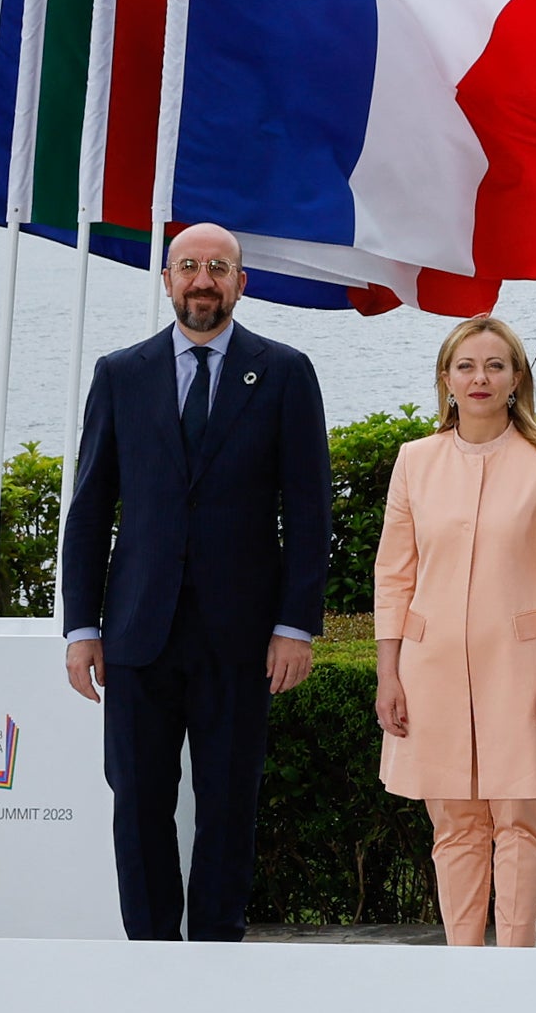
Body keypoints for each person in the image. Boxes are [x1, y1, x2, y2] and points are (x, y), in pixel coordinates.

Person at [59, 224, 333, 941]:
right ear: (167, 279)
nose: (202, 279)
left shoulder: (284, 372)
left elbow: (309, 511)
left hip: (242, 636)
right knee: (139, 798)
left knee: (228, 799)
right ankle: (149, 951)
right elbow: (90, 508)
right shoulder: (120, 373)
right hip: (137, 632)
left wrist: (296, 624)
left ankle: (217, 946)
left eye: (218, 267)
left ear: (242, 282)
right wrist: (81, 628)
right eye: (188, 266)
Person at [371, 316, 536, 948]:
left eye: (495, 365)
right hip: (431, 670)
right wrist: (388, 673)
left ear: (516, 379)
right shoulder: (414, 461)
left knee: (524, 822)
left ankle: (516, 960)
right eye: (466, 366)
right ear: (446, 379)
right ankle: (463, 965)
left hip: (526, 670)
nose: (480, 378)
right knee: (454, 827)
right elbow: (393, 575)